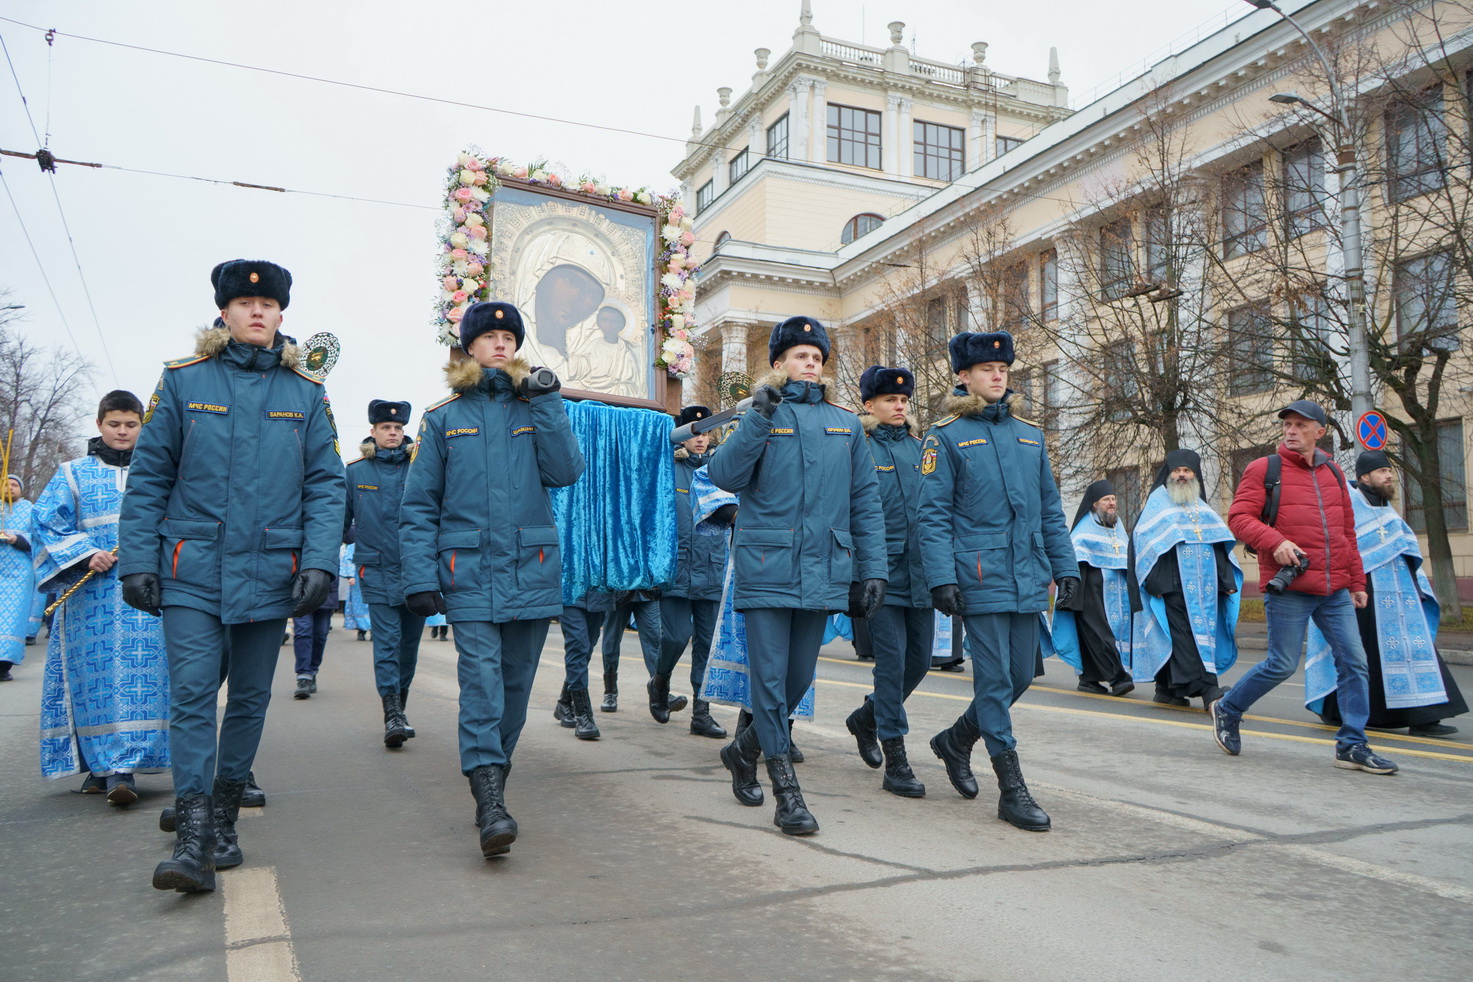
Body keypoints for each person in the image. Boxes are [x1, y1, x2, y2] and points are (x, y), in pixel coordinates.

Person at [120, 259, 345, 893]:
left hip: (272, 570)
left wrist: (321, 561)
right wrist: (138, 559)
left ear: (280, 314)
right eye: (244, 303)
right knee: (192, 694)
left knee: (248, 698)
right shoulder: (184, 381)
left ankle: (223, 819)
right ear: (223, 312)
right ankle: (193, 839)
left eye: (268, 303)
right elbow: (149, 479)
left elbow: (327, 486)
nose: (256, 311)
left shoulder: (305, 393)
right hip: (191, 568)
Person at [400, 300, 584, 858]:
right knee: (480, 681)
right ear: (470, 348)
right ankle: (488, 796)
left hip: (530, 569)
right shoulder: (442, 419)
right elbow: (418, 506)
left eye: (509, 337)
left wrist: (548, 402)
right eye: (489, 337)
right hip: (468, 572)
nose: (500, 344)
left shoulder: (540, 406)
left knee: (516, 688)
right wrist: (418, 576)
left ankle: (494, 775)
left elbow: (566, 471)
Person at [708, 315, 887, 836]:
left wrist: (872, 569)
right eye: (800, 356)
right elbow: (723, 476)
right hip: (766, 565)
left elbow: (864, 503)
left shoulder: (846, 424)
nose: (810, 363)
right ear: (779, 364)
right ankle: (788, 795)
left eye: (816, 356)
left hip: (823, 569)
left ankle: (743, 752)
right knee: (767, 681)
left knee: (797, 679)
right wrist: (757, 420)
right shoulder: (762, 415)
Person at [918, 331, 1077, 832]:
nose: (997, 376)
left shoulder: (1030, 435)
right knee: (993, 681)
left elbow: (1050, 509)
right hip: (978, 575)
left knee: (1022, 677)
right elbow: (933, 515)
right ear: (963, 376)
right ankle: (1012, 789)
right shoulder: (943, 436)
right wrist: (942, 577)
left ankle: (956, 740)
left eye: (1003, 369)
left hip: (1026, 572)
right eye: (987, 369)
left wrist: (1065, 566)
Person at [1214, 400, 1398, 775]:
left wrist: (1356, 581)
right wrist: (1275, 542)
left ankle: (1352, 744)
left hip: (1334, 589)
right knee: (1280, 665)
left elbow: (1347, 533)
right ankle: (1229, 708)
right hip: (1291, 587)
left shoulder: (1333, 472)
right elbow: (1238, 518)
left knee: (1355, 662)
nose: (1292, 430)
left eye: (1301, 425)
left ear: (1320, 431)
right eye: (1288, 424)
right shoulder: (1264, 469)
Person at [34, 390, 169, 804]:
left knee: (143, 680)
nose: (123, 431)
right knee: (94, 681)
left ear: (142, 426)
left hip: (147, 595)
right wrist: (85, 552)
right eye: (115, 424)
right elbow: (46, 523)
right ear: (99, 425)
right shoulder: (72, 473)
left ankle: (122, 767)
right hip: (89, 600)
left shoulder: (160, 472)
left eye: (131, 424)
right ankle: (100, 766)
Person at [1310, 451, 1467, 737]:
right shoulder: (1351, 504)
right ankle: (1334, 710)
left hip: (1400, 595)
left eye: (1389, 471)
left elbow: (1405, 551)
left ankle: (1425, 718)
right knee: (1356, 654)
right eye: (1382, 471)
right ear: (1364, 477)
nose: (1389, 476)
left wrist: (1418, 588)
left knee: (1415, 649)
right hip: (1363, 593)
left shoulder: (1387, 510)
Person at [842, 366, 932, 797]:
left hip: (920, 575)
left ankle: (866, 718)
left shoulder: (923, 449)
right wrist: (857, 572)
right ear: (870, 406)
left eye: (903, 400)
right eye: (890, 400)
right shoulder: (858, 448)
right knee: (892, 664)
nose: (899, 407)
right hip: (879, 574)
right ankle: (896, 758)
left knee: (918, 662)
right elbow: (851, 512)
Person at [1130, 450, 1240, 710]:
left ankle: (1167, 689)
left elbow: (1218, 545)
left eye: (1187, 471)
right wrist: (1156, 583)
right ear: (1168, 474)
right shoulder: (1158, 502)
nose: (1181, 475)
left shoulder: (1201, 507)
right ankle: (1208, 688)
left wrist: (1226, 582)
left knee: (1196, 636)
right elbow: (1147, 544)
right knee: (1183, 638)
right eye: (1177, 471)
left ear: (1195, 475)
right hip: (1172, 587)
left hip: (1207, 589)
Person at [344, 399, 425, 748]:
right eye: (386, 429)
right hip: (375, 570)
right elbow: (340, 522)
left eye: (397, 428)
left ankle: (401, 709)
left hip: (417, 571)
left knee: (409, 647)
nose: (393, 433)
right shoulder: (355, 471)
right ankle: (391, 713)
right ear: (373, 432)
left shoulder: (420, 468)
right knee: (387, 644)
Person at [653, 405, 729, 740]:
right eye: (695, 432)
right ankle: (660, 683)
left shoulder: (720, 469)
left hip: (712, 569)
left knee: (707, 646)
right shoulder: (668, 467)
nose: (701, 439)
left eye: (707, 433)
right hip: (677, 568)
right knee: (674, 636)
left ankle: (701, 712)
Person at [1051, 480, 1135, 697]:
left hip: (1117, 593)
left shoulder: (1117, 528)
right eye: (1106, 500)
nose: (1111, 503)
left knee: (1106, 634)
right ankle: (1119, 678)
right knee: (1099, 634)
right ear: (1094, 504)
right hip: (1090, 591)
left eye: (1114, 499)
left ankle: (1088, 679)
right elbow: (1076, 558)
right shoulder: (1083, 530)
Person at [0, 474, 37, 681]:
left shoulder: (30, 510)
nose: (10, 488)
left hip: (19, 574)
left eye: (14, 485)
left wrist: (17, 539)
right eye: (5, 484)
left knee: (12, 618)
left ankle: (3, 665)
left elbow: (40, 537)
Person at [291, 571, 337, 698]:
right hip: (301, 584)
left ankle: (312, 670)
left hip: (326, 586)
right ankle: (303, 677)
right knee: (303, 632)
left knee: (320, 635)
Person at [340, 541, 371, 641]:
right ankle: (361, 630)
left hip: (374, 576)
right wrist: (351, 575)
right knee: (359, 604)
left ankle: (373, 630)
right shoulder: (354, 545)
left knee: (374, 603)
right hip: (358, 578)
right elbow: (348, 559)